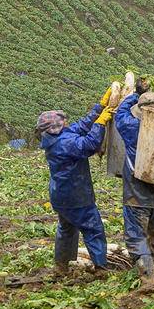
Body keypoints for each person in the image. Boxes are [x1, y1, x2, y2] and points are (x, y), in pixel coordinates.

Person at [37, 94, 113, 276]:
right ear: (57, 127)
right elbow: (89, 144)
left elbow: (80, 126)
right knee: (93, 228)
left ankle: (61, 266)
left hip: (61, 196)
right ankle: (101, 267)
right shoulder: (64, 143)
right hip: (76, 195)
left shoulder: (55, 137)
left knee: (67, 228)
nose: (67, 124)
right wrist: (100, 123)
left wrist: (99, 108)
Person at [115, 89, 154, 290]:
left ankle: (149, 278)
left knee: (136, 236)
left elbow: (120, 113)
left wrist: (135, 93)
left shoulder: (131, 126)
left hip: (137, 194)